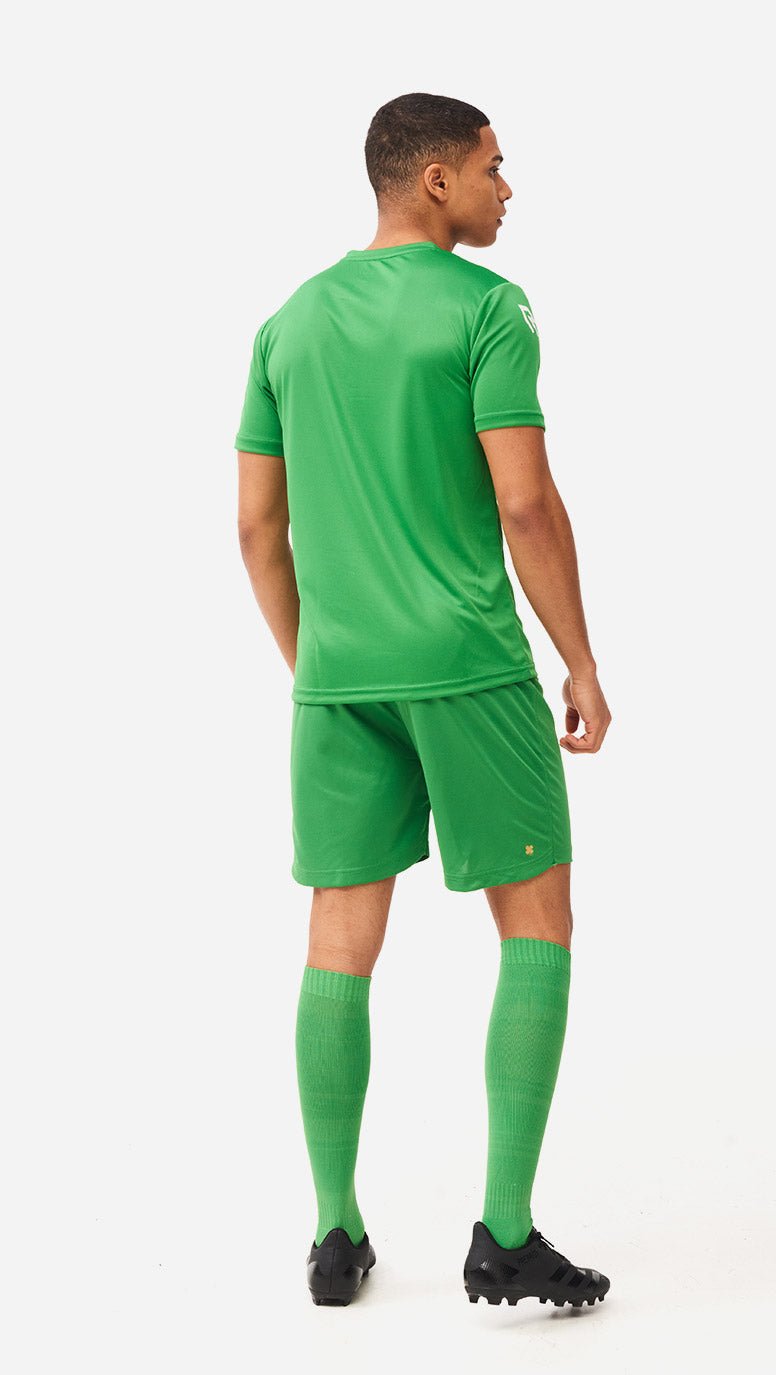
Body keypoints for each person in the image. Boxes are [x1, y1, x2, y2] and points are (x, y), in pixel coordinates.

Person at [234, 92, 612, 1309]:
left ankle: (333, 1231)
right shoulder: (487, 309)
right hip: (468, 665)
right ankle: (505, 1231)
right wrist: (579, 659)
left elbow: (256, 528)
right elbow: (524, 502)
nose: (509, 188)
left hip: (339, 680)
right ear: (436, 178)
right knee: (537, 923)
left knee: (337, 943)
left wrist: (316, 662)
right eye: (494, 167)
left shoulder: (287, 323)